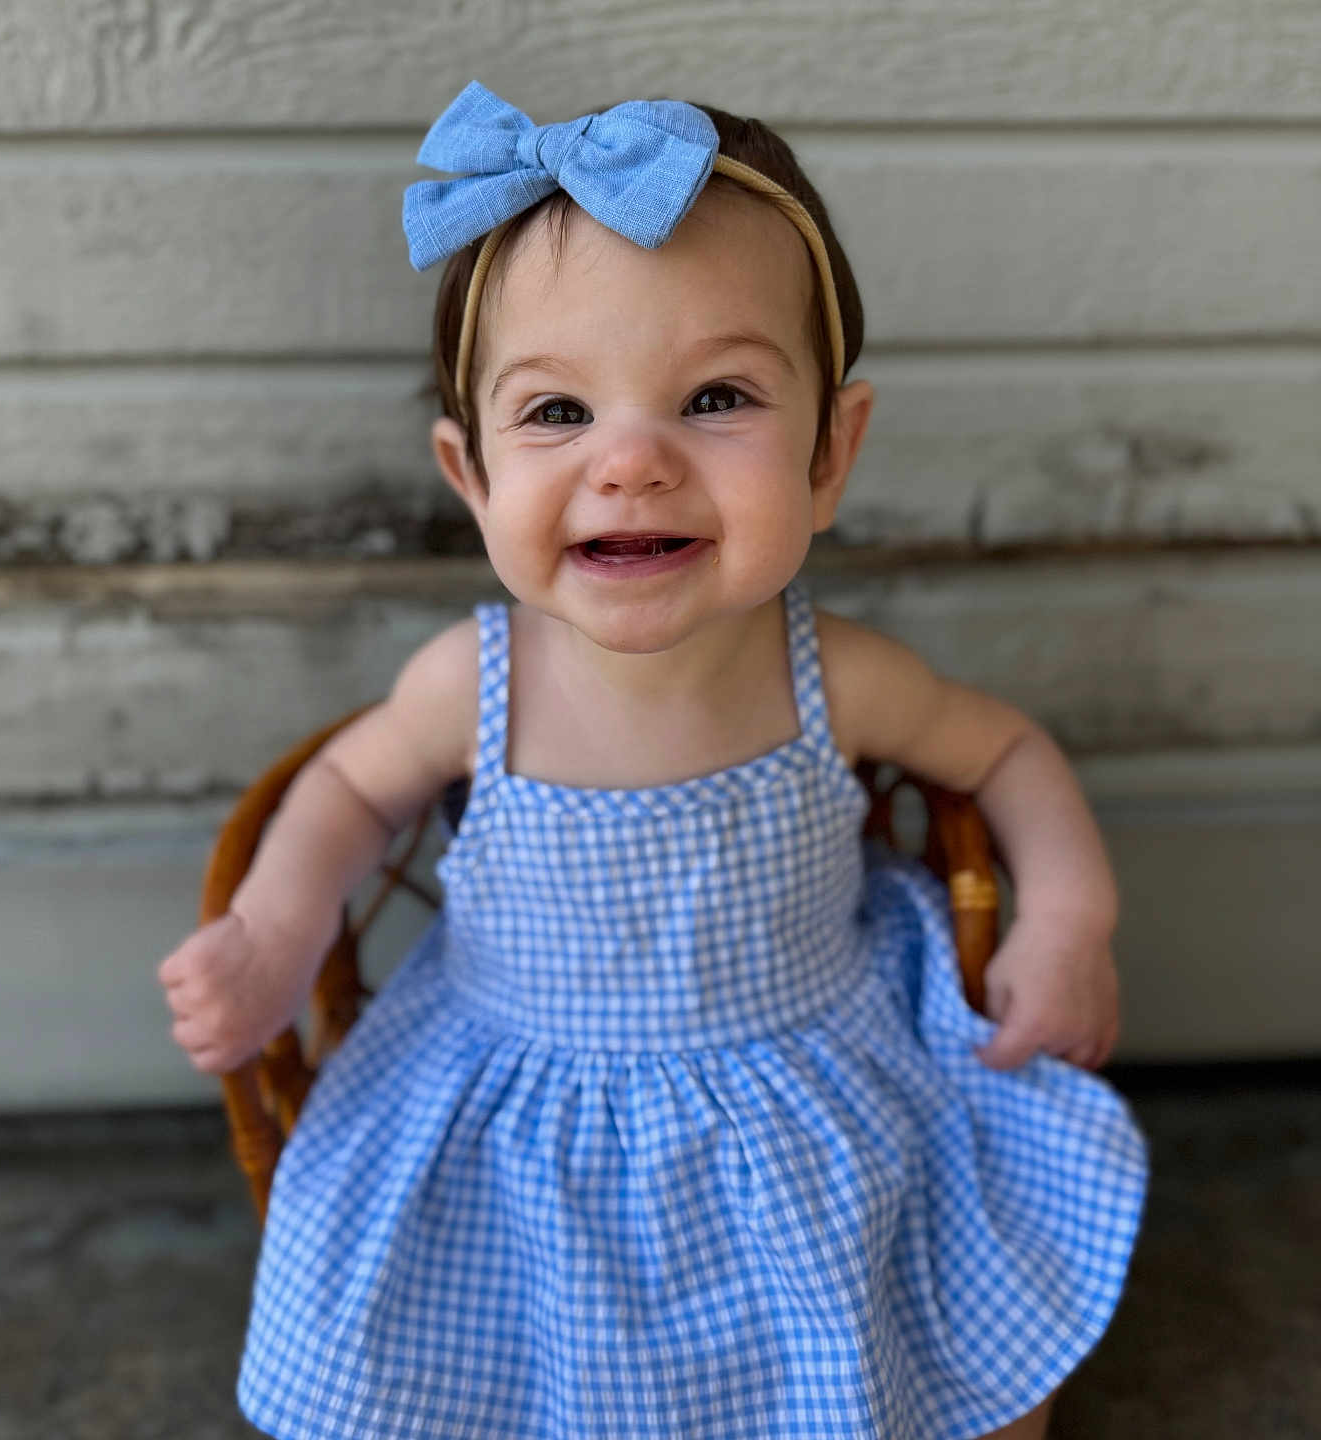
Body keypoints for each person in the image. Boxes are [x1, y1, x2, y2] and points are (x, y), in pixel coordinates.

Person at [159, 82, 1147, 1440]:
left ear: (831, 453)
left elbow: (1012, 754)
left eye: (716, 397)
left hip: (809, 1096)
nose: (630, 462)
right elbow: (348, 790)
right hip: (521, 1122)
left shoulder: (839, 675)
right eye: (556, 411)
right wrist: (278, 931)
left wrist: (1071, 919)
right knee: (464, 1360)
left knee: (947, 1353)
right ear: (469, 472)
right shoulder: (472, 684)